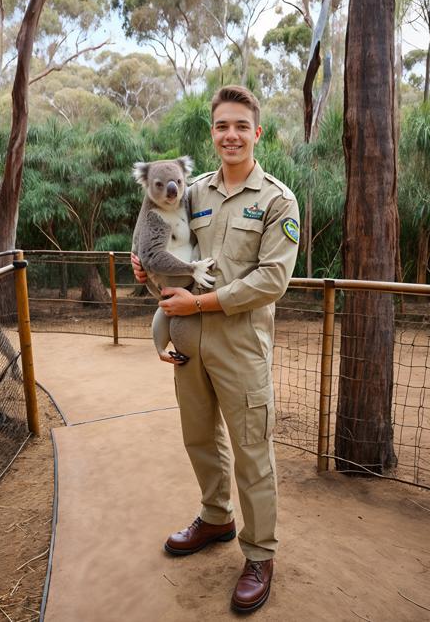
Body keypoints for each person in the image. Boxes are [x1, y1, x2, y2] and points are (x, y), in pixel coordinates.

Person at [132, 85, 299, 613]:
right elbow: (169, 254)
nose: (231, 135)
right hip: (188, 342)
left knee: (252, 450)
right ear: (213, 133)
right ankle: (216, 516)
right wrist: (145, 273)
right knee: (200, 439)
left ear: (257, 133)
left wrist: (199, 307)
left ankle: (260, 553)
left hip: (240, 343)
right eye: (222, 126)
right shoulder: (191, 191)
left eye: (241, 126)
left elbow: (273, 280)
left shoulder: (277, 200)